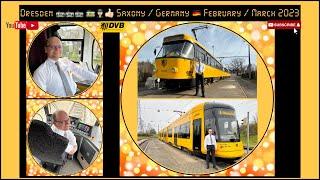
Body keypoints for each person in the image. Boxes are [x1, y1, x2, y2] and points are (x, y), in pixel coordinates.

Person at [33, 36, 98, 97]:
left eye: (59, 46)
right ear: (46, 49)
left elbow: (81, 72)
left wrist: (98, 78)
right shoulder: (40, 72)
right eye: (52, 46)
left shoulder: (66, 62)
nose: (57, 49)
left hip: (76, 92)